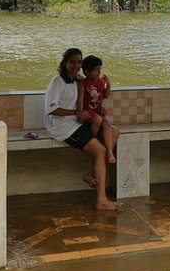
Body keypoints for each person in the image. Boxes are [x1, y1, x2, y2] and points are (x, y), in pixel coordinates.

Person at [44, 48, 118, 211]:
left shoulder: (79, 80)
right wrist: (76, 112)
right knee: (100, 151)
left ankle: (90, 174)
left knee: (113, 132)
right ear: (65, 63)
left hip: (78, 121)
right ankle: (101, 200)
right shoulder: (57, 82)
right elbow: (51, 109)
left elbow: (93, 98)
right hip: (62, 126)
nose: (76, 65)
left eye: (79, 62)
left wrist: (98, 109)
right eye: (72, 62)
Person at [78, 55, 118, 165]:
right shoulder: (83, 84)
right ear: (87, 71)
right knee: (98, 120)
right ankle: (93, 141)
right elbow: (80, 99)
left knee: (106, 121)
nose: (99, 71)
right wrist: (80, 112)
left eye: (100, 68)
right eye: (96, 69)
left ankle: (110, 151)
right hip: (88, 111)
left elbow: (105, 95)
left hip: (97, 110)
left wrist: (108, 85)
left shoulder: (100, 82)